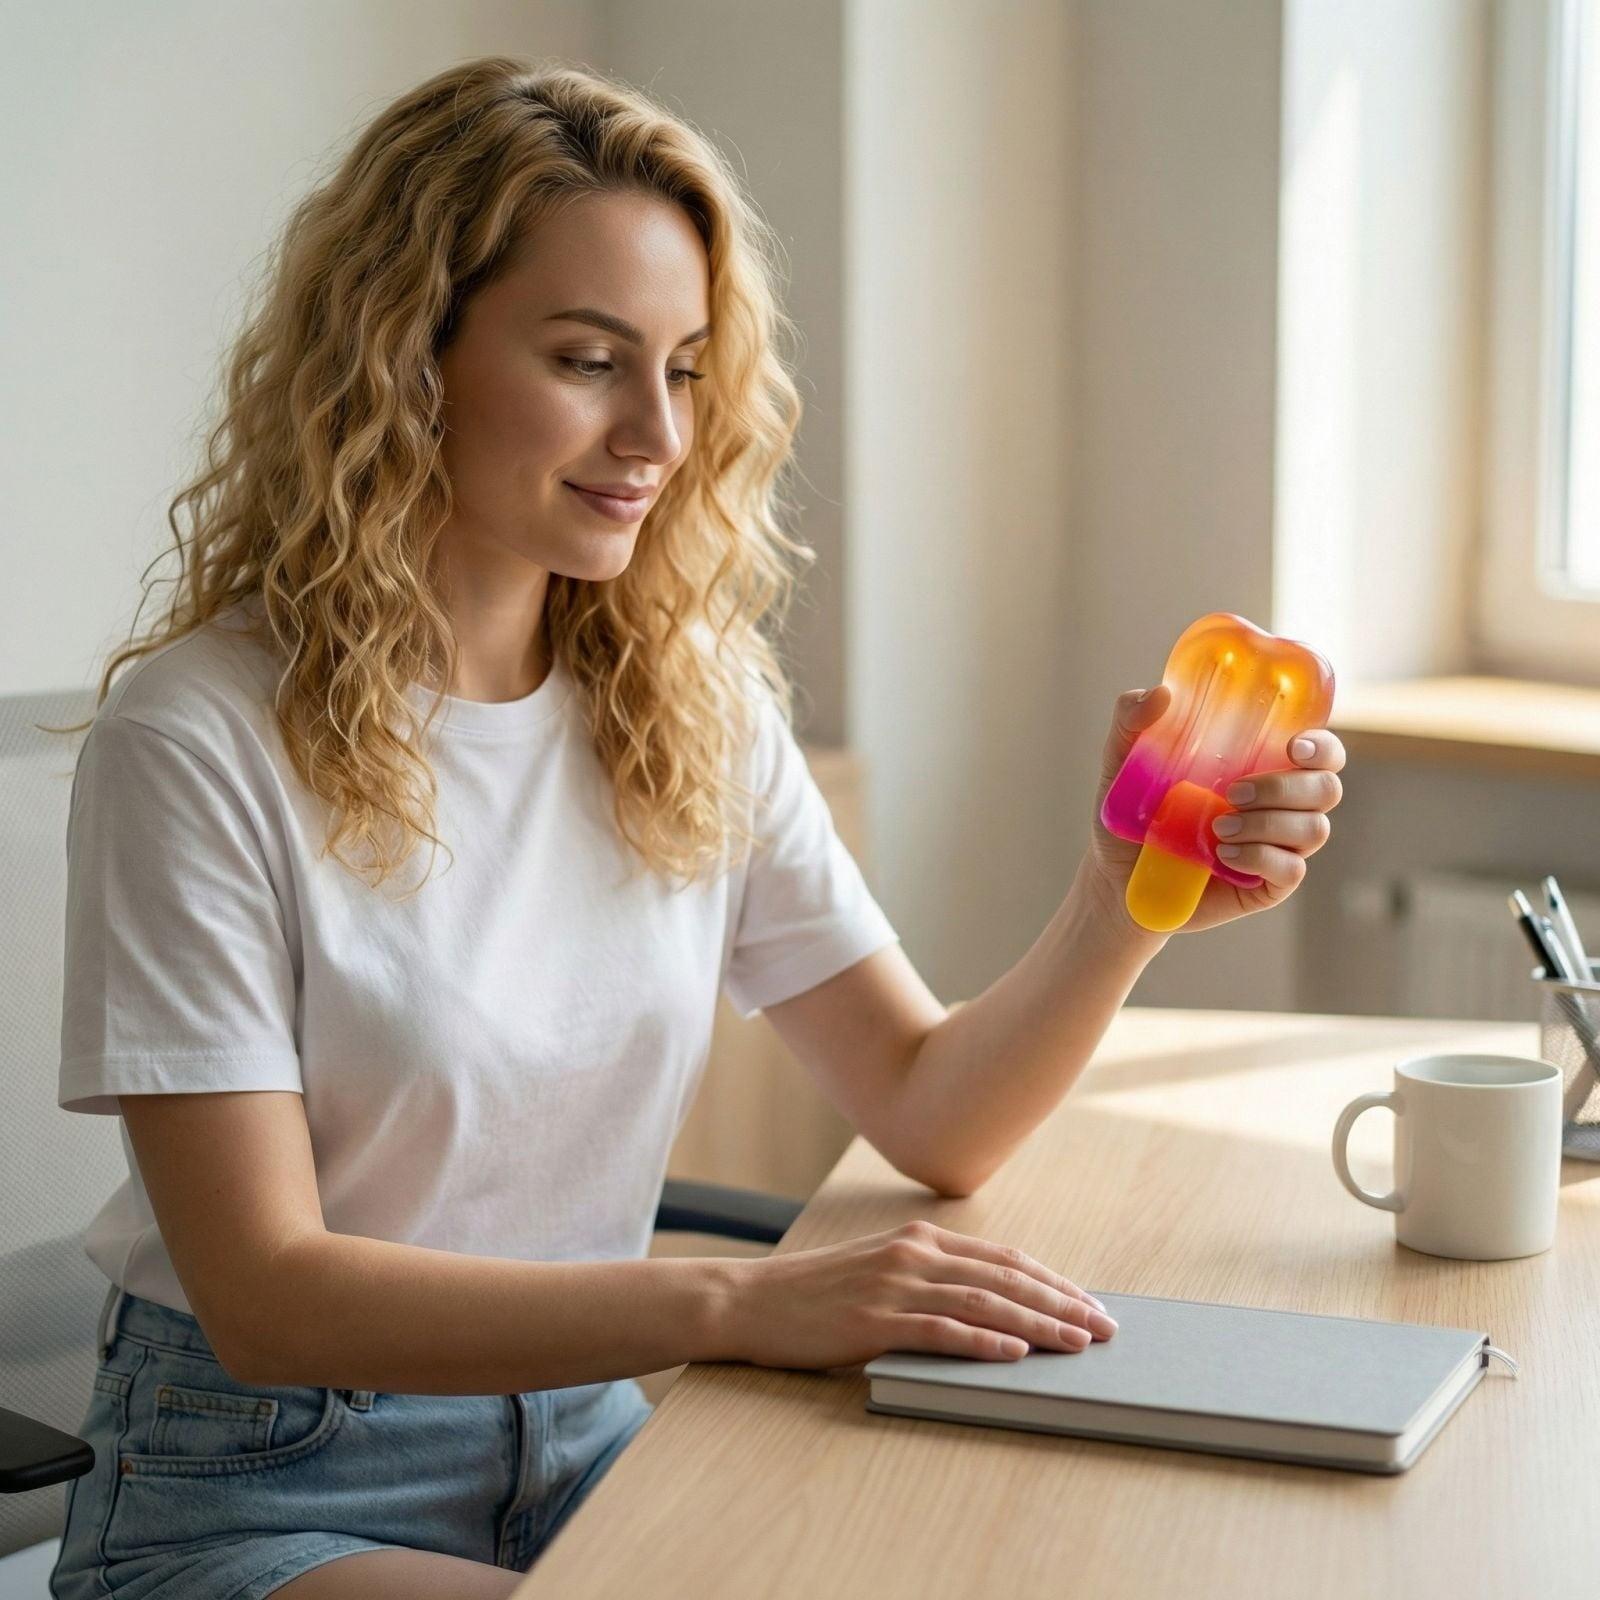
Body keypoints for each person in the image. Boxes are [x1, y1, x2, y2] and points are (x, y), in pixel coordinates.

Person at [47, 54, 1346, 1600]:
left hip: (587, 1439)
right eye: (591, 360)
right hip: (261, 1481)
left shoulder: (689, 701)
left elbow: (932, 1110)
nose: (658, 436)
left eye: (683, 368)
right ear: (408, 361)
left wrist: (1120, 899)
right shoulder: (197, 740)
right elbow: (269, 1296)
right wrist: (731, 1307)